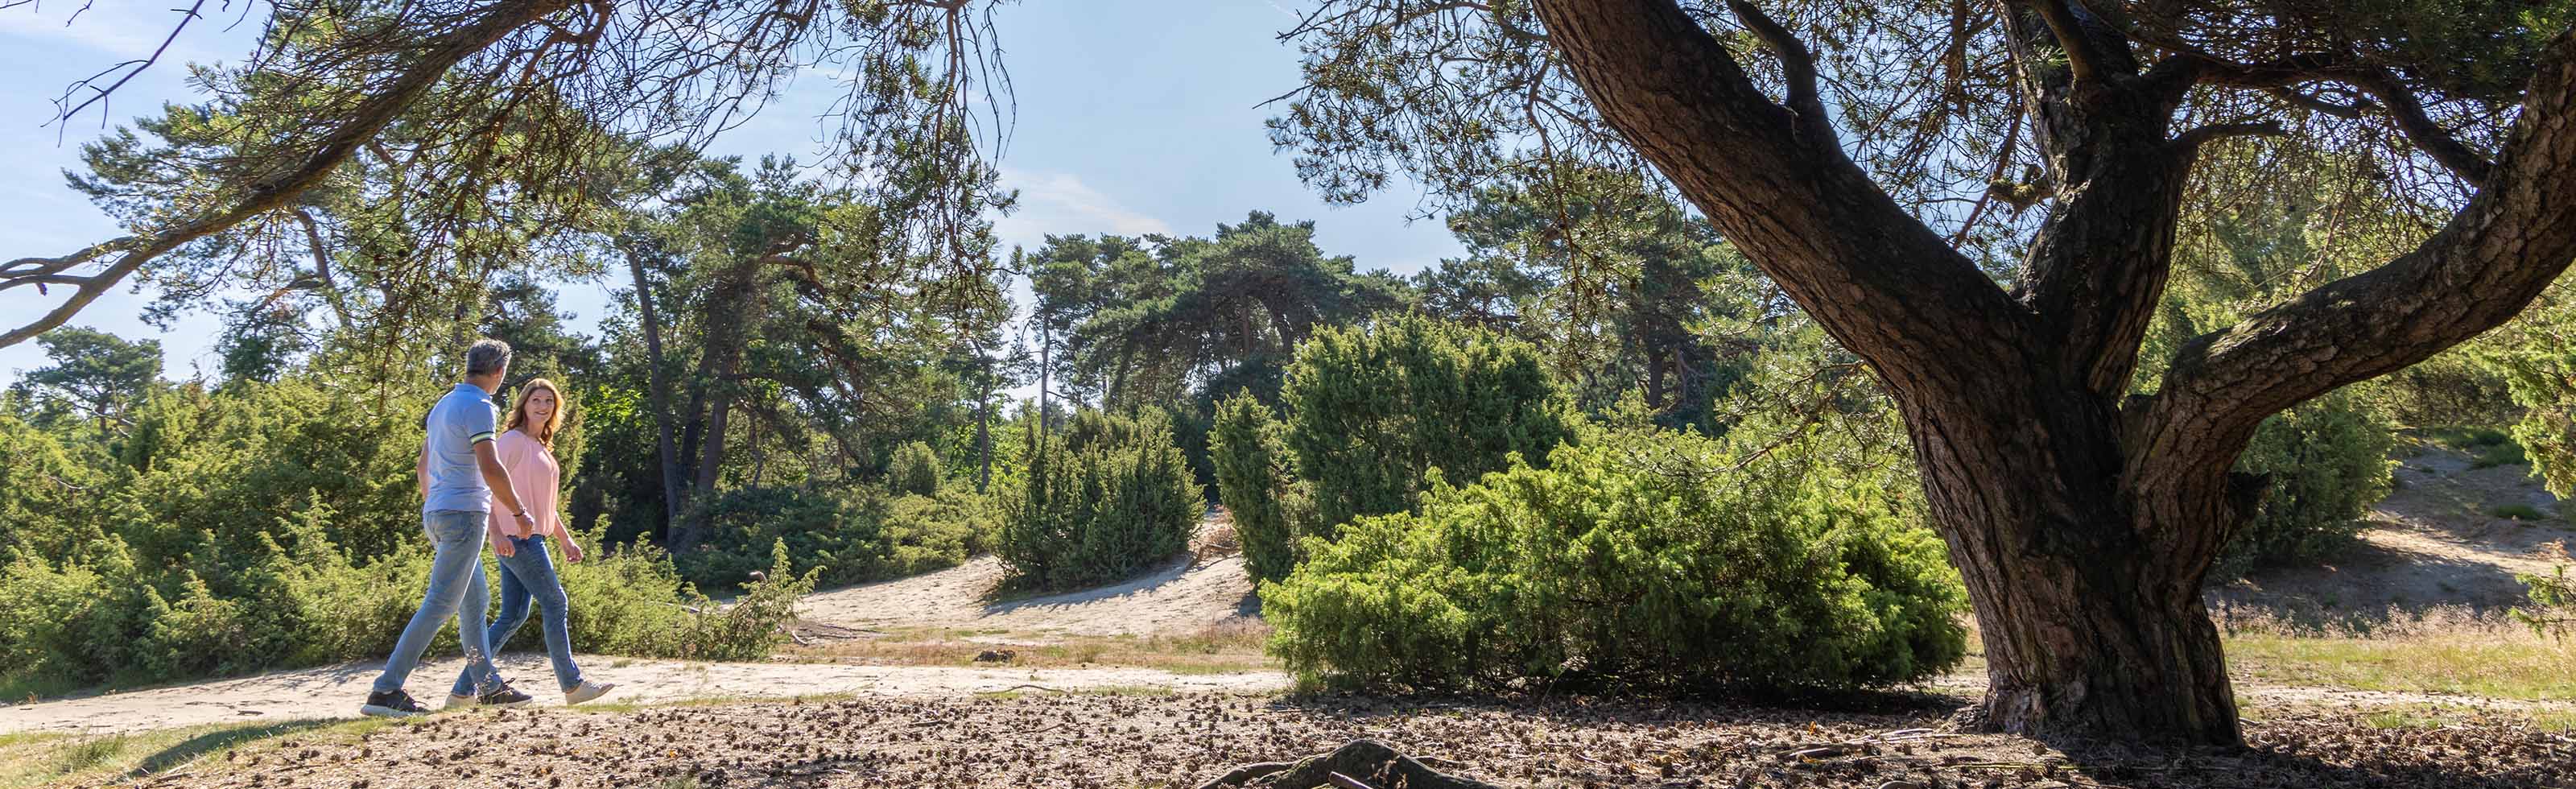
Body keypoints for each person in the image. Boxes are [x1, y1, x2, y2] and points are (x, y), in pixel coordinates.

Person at [359, 339, 540, 717]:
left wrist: (434, 505)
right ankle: (386, 690)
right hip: (463, 515)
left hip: (440, 513)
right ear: (499, 372)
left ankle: (487, 686)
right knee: (441, 603)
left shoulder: (443, 406)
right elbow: (491, 467)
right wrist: (519, 513)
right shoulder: (479, 407)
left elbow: (422, 465)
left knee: (474, 605)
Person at [446, 378, 617, 708]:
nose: (542, 406)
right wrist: (494, 532)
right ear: (524, 404)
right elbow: (485, 488)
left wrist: (565, 540)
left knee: (512, 615)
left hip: (531, 536)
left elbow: (547, 506)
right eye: (536, 400)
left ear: (555, 409)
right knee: (556, 603)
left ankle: (463, 692)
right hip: (515, 538)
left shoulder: (542, 449)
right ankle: (573, 685)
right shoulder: (510, 441)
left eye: (549, 402)